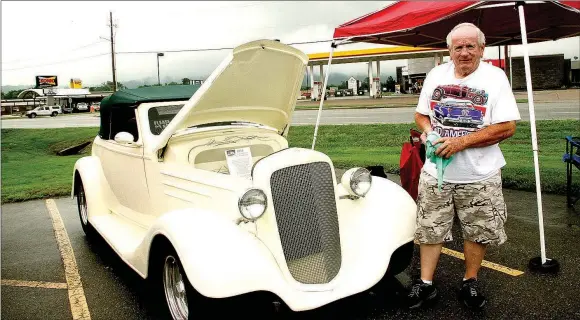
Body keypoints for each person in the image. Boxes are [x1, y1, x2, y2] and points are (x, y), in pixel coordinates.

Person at [405, 22, 521, 310]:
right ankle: (426, 284)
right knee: (430, 228)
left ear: (482, 49)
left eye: (471, 46)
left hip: (479, 174)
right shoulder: (436, 74)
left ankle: (470, 281)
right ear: (450, 50)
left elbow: (507, 127)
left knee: (477, 230)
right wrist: (430, 131)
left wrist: (460, 143)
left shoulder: (495, 78)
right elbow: (421, 115)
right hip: (436, 173)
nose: (465, 52)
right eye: (459, 47)